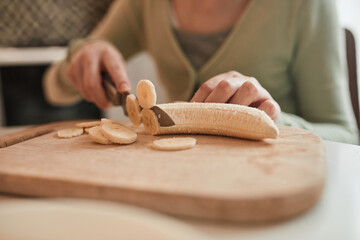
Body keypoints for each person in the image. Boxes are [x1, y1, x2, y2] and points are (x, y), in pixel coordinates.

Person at [43, 0, 359, 144]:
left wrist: (273, 120)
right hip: (181, 183)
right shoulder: (143, 5)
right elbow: (55, 89)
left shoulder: (306, 5)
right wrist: (82, 56)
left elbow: (346, 136)